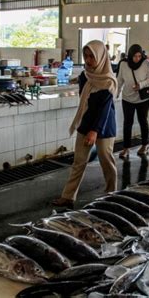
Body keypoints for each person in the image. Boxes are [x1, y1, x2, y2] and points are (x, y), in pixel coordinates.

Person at [52, 40, 118, 208]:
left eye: (92, 57)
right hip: (86, 122)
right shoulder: (85, 76)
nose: (88, 60)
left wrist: (95, 131)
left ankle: (111, 193)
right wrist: (87, 127)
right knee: (79, 161)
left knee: (106, 159)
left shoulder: (109, 81)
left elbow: (104, 109)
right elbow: (85, 102)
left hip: (104, 125)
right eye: (86, 56)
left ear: (101, 57)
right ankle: (68, 196)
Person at [116, 44, 149, 159]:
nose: (137, 59)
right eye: (135, 56)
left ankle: (145, 144)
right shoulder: (123, 64)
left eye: (139, 56)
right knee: (127, 123)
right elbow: (119, 80)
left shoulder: (145, 64)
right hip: (127, 98)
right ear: (130, 55)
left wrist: (141, 85)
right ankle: (126, 148)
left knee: (143, 120)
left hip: (142, 99)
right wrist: (116, 92)